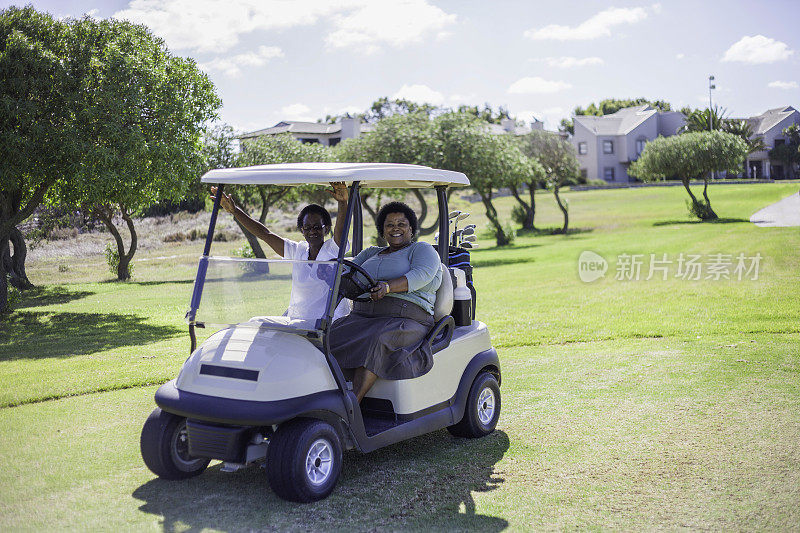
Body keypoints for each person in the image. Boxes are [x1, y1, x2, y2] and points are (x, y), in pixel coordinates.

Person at [329, 201, 443, 402]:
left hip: (407, 318)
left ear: (411, 228)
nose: (395, 228)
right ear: (382, 230)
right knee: (327, 336)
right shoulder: (371, 253)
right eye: (389, 224)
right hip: (363, 315)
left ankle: (352, 406)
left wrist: (388, 287)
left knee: (377, 340)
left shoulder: (422, 250)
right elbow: (347, 271)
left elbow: (421, 275)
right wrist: (329, 271)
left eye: (402, 223)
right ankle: (324, 396)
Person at [210, 183, 350, 321]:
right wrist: (235, 211)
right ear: (302, 230)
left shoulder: (333, 249)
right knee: (256, 322)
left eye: (317, 227)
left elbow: (341, 232)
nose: (312, 231)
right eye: (307, 227)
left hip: (326, 325)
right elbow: (265, 234)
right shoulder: (298, 251)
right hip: (297, 320)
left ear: (326, 229)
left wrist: (343, 203)